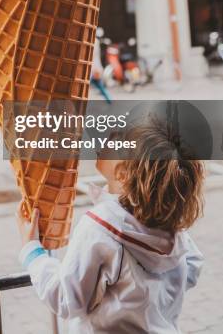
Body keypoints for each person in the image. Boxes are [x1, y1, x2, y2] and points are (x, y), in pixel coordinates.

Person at [16, 118, 205, 333]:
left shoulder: (100, 228)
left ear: (122, 174)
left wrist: (32, 251)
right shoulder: (170, 224)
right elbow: (193, 264)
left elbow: (67, 299)